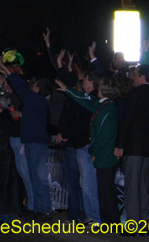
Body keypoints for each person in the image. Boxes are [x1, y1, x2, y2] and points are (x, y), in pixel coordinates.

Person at [59, 76, 121, 224]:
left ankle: (105, 221)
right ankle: (104, 220)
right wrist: (68, 90)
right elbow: (86, 100)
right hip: (103, 155)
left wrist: (93, 151)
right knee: (100, 188)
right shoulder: (102, 106)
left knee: (103, 189)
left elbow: (102, 134)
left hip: (105, 156)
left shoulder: (107, 109)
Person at [114, 64, 149, 223]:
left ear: (142, 77)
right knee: (144, 186)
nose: (133, 78)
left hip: (134, 147)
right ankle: (143, 222)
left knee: (132, 187)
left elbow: (126, 120)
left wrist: (119, 144)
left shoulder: (135, 94)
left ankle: (133, 224)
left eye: (136, 75)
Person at [0, 61, 52, 219]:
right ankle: (37, 209)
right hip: (34, 142)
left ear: (38, 87)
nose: (31, 86)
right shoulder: (37, 103)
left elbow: (21, 88)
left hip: (35, 144)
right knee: (35, 177)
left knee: (38, 178)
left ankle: (43, 210)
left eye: (34, 84)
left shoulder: (36, 100)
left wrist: (8, 72)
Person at [0, 95, 23, 223]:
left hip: (2, 158)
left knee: (1, 187)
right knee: (6, 187)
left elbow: (0, 140)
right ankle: (1, 216)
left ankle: (4, 217)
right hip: (7, 157)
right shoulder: (8, 117)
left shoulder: (3, 118)